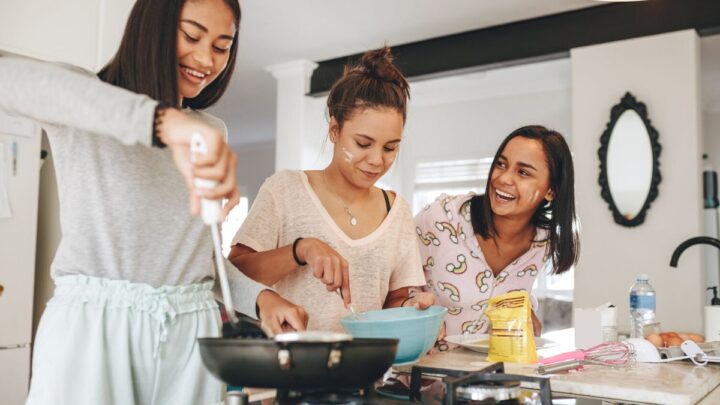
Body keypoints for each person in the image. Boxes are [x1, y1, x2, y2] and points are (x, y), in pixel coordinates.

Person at [0, 1, 305, 404]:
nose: (205, 59)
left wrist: (261, 298)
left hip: (190, 340)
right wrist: (160, 121)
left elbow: (198, 264)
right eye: (192, 36)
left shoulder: (212, 131)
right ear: (153, 27)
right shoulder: (89, 104)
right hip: (94, 336)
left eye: (222, 45)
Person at [228, 46, 433, 332]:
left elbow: (394, 300)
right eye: (363, 143)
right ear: (334, 131)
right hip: (284, 370)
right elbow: (234, 276)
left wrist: (411, 309)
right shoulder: (285, 189)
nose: (377, 160)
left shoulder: (396, 211)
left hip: (361, 373)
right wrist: (301, 250)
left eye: (390, 148)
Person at [414, 125, 579, 350]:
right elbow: (393, 285)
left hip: (484, 377)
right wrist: (415, 309)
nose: (503, 178)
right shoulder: (442, 218)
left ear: (551, 190)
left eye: (523, 172)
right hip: (417, 377)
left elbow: (513, 292)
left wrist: (526, 312)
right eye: (501, 164)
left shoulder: (542, 241)